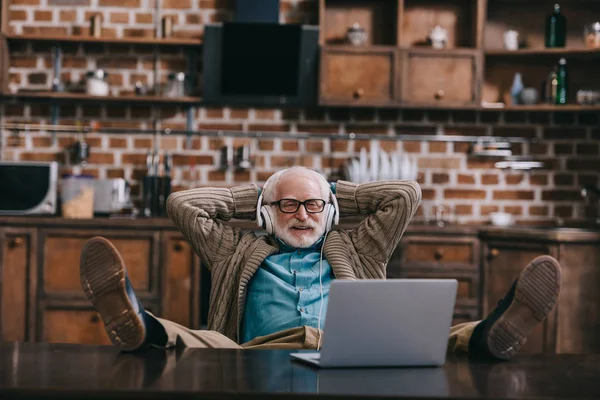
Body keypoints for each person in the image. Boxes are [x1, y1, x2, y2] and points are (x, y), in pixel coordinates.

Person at [80, 166, 561, 359]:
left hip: (346, 354)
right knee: (203, 340)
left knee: (436, 334)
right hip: (255, 355)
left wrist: (332, 193)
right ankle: (139, 324)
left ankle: (491, 333)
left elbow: (405, 194)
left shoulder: (358, 246)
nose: (302, 215)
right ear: (267, 214)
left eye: (313, 206)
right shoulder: (237, 250)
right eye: (288, 206)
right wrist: (261, 193)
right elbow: (183, 204)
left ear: (329, 210)